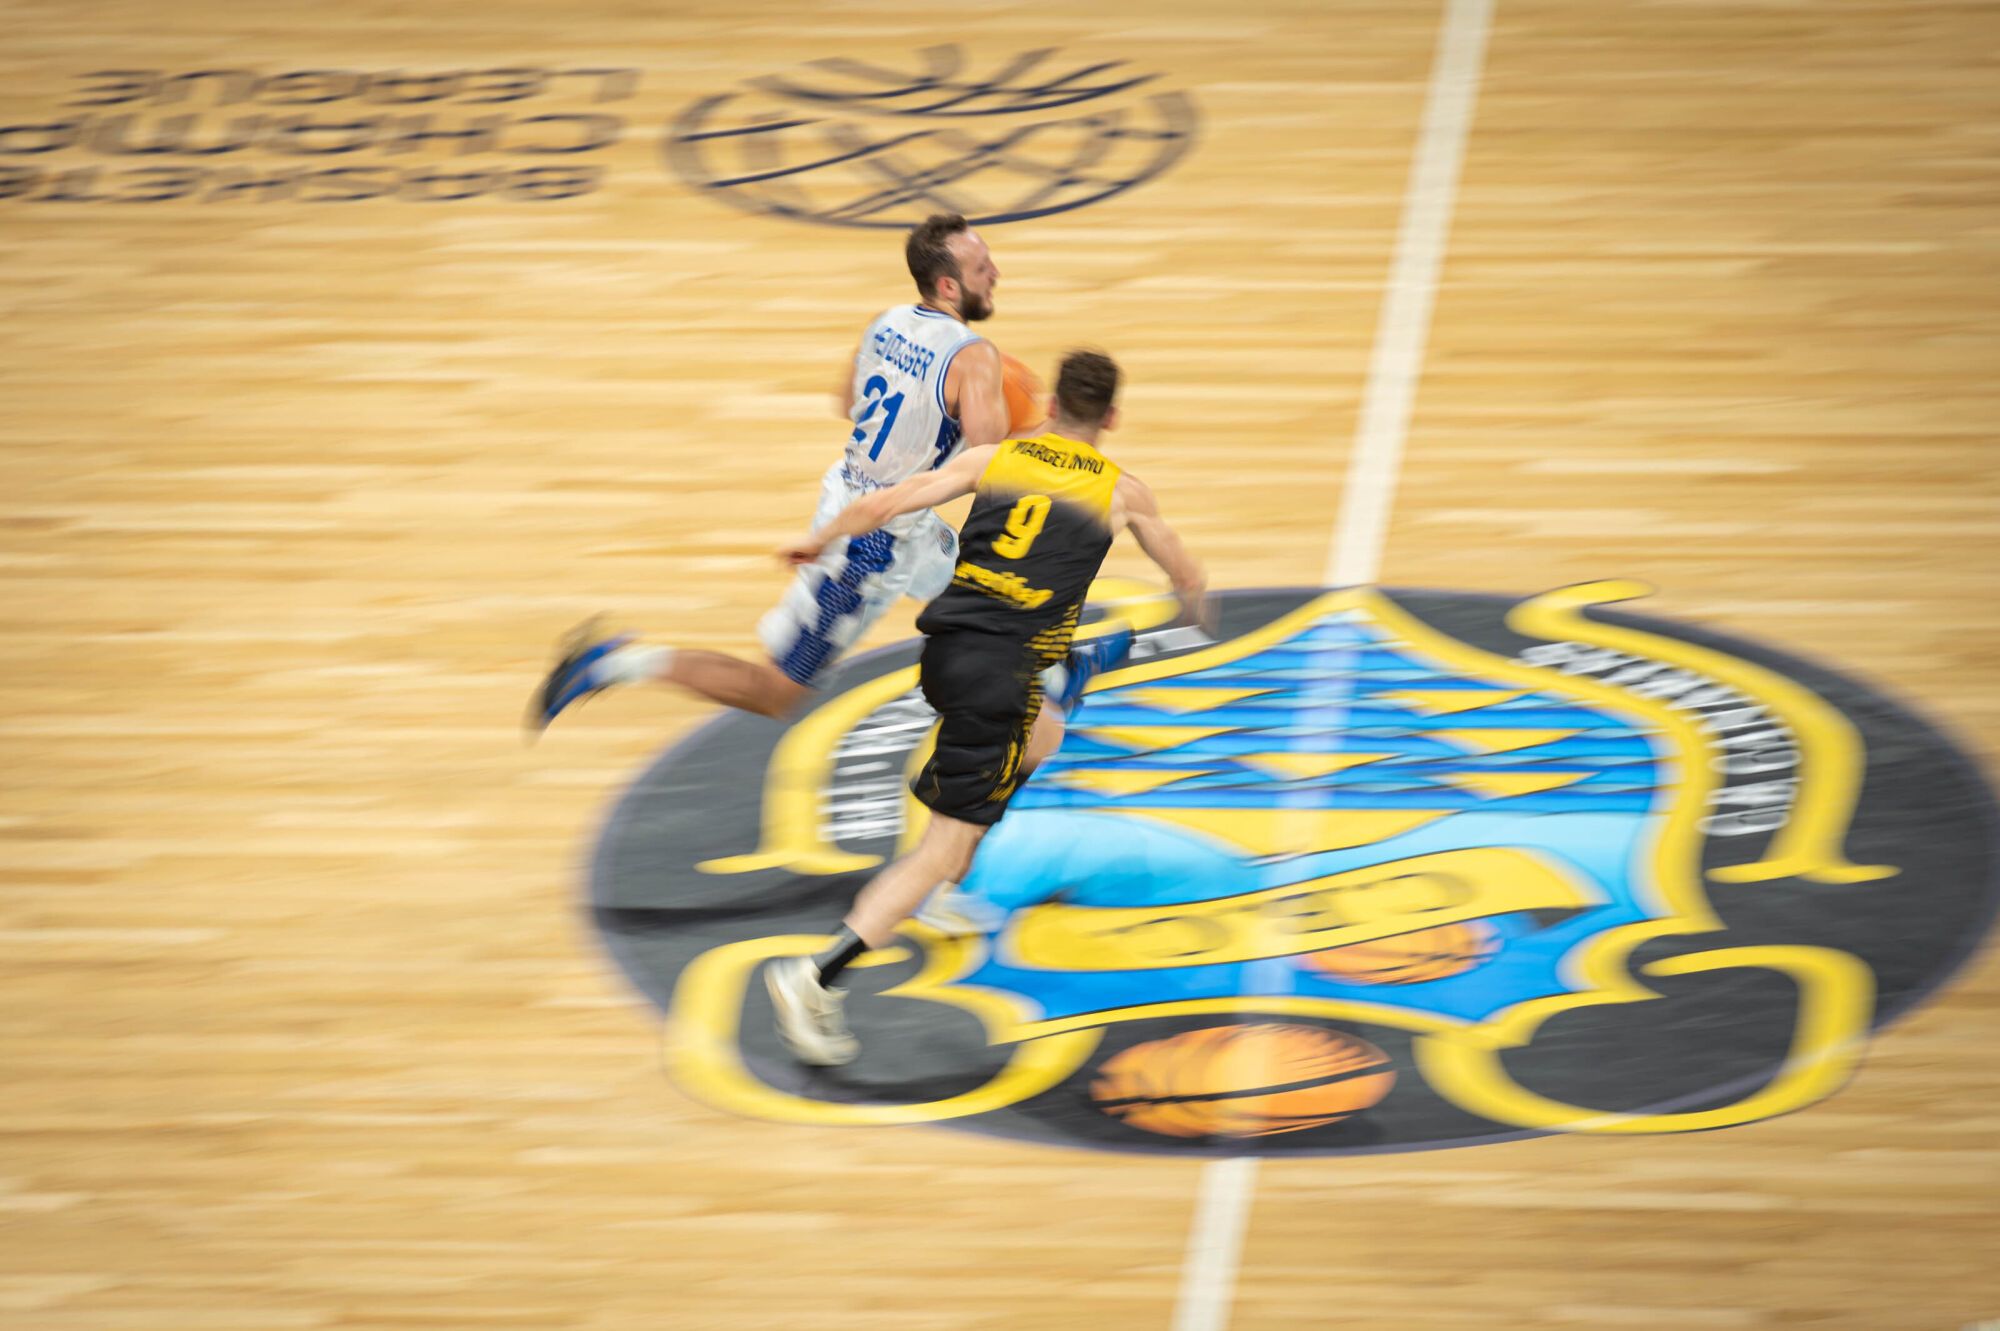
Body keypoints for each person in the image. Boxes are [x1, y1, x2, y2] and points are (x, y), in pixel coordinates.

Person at [763, 349, 1207, 1066]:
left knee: (1045, 734)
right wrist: (1193, 607)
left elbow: (885, 502)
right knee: (942, 848)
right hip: (1000, 674)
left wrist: (815, 540)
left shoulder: (996, 457)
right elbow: (1185, 573)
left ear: (1053, 405)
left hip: (948, 651)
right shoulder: (1124, 493)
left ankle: (961, 853)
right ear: (1114, 418)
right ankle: (816, 977)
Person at [531, 212, 1025, 730]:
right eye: (983, 266)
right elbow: (987, 462)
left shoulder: (887, 321)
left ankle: (1051, 675)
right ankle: (611, 664)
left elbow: (846, 402)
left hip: (868, 501)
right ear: (949, 285)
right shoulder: (975, 357)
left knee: (989, 591)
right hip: (870, 545)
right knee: (774, 693)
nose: (995, 273)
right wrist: (1021, 416)